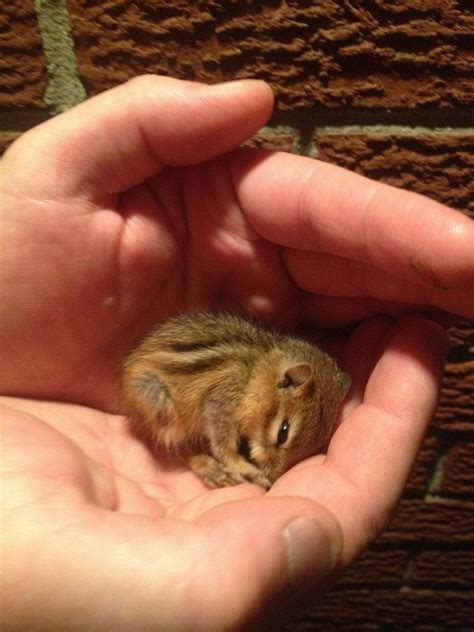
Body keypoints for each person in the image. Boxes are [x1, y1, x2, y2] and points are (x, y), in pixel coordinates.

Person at [0, 76, 472, 630]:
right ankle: (194, 456)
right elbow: (221, 414)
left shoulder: (286, 378)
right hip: (163, 395)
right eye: (280, 439)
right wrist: (234, 460)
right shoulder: (246, 382)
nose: (275, 457)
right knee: (185, 422)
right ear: (288, 381)